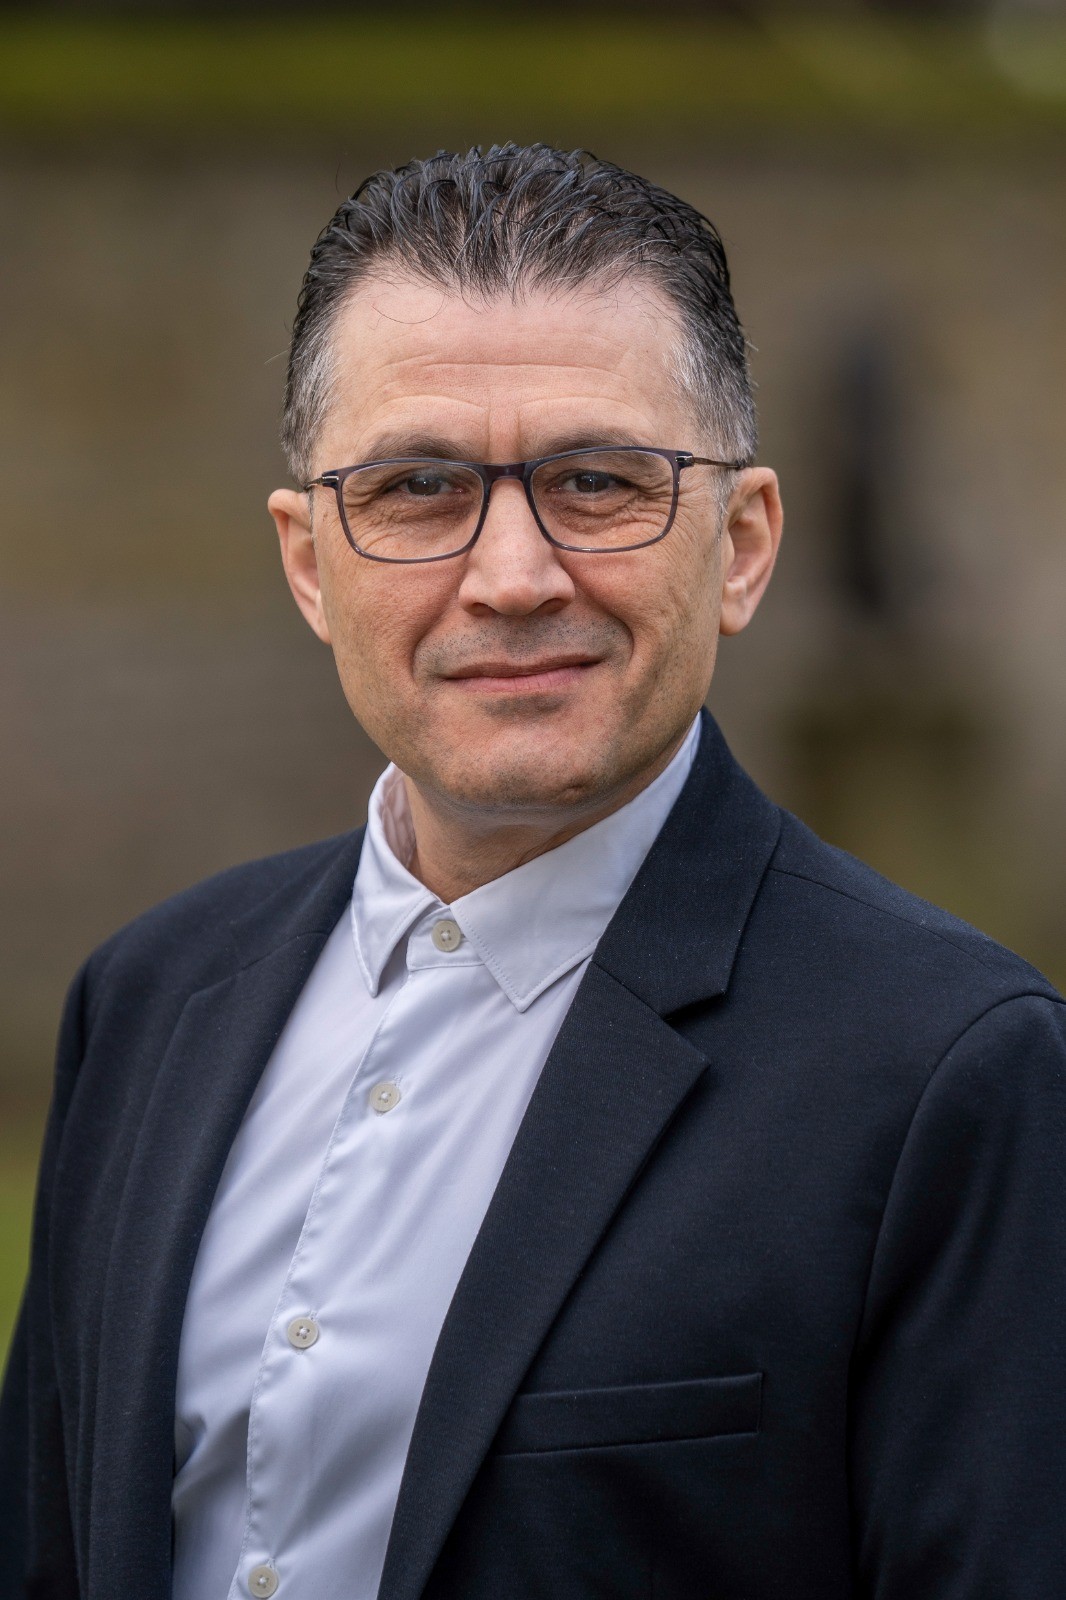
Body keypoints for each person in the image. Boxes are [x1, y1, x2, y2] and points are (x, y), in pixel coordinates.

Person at [1, 143, 1063, 1600]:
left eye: (598, 480)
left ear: (743, 545)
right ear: (309, 563)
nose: (511, 577)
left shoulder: (954, 1070)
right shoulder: (146, 999)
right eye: (418, 487)